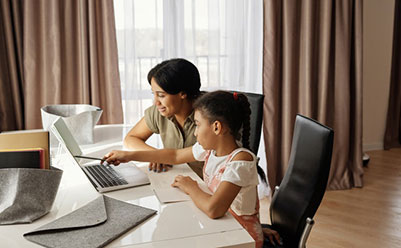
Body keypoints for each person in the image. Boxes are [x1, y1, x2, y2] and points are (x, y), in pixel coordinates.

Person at [103, 91, 281, 248]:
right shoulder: (210, 150)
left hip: (240, 238)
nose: (195, 133)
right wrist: (128, 155)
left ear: (216, 127)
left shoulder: (240, 161)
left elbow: (214, 210)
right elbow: (174, 156)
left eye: (197, 124)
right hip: (223, 227)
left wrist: (191, 187)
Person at [123, 58, 204, 177]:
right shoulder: (161, 111)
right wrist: (157, 155)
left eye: (161, 95)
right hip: (177, 181)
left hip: (209, 187)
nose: (156, 102)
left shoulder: (210, 115)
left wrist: (161, 156)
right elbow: (130, 138)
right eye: (153, 94)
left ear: (183, 93)